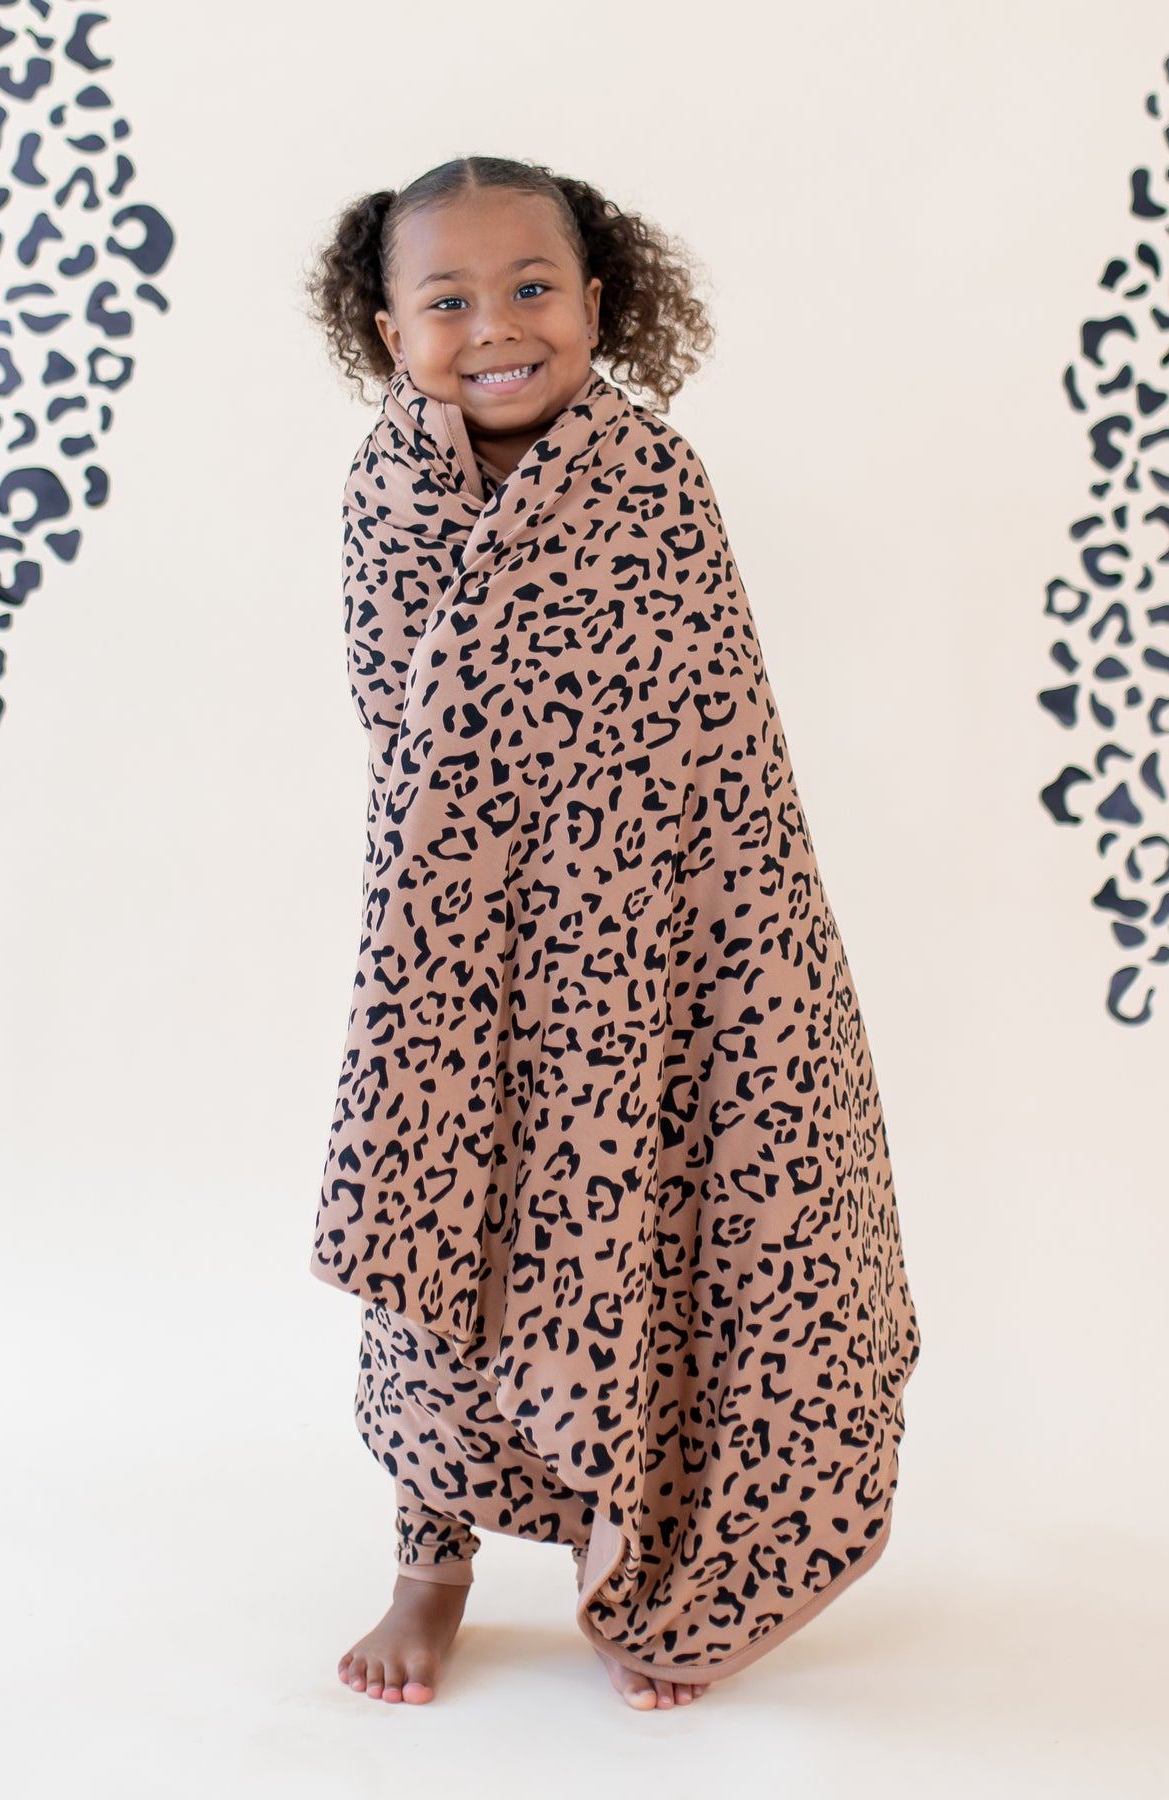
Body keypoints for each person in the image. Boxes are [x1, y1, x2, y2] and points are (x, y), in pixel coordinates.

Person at [302, 155, 920, 1712]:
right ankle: (428, 1570)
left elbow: (721, 747)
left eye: (532, 289)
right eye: (449, 299)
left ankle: (641, 1555)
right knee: (446, 1234)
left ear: (596, 301)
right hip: (460, 953)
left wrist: (697, 939)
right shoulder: (386, 495)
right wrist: (489, 902)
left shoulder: (655, 485)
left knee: (646, 1227)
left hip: (657, 946)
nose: (495, 326)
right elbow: (404, 738)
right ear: (391, 332)